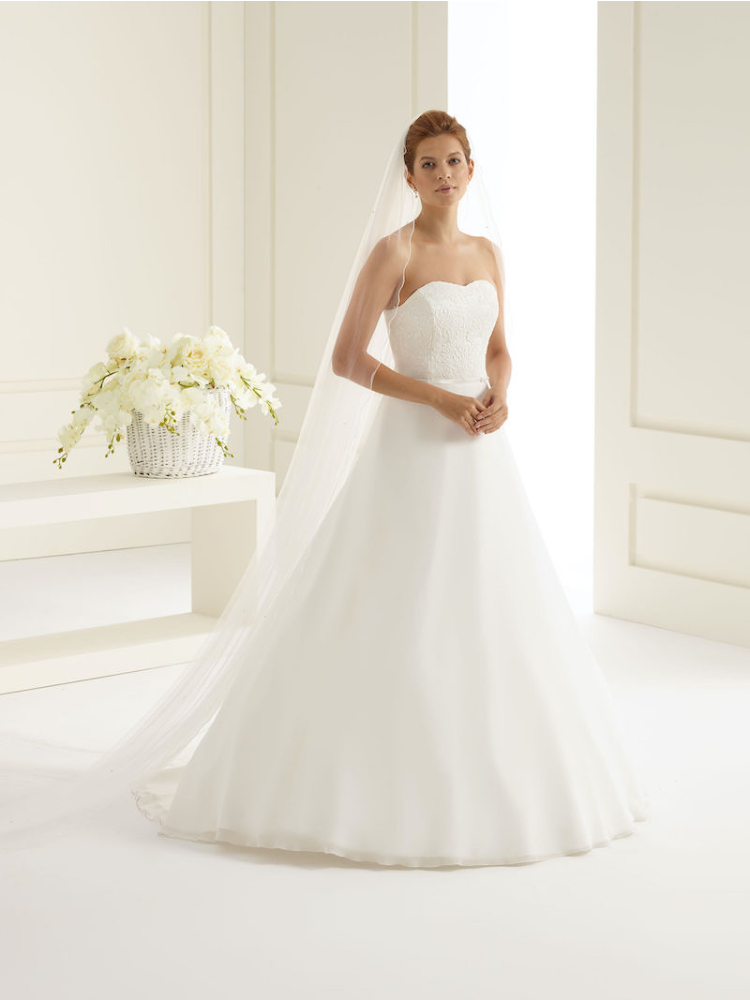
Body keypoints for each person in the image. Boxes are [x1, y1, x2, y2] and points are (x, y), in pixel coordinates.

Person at [0, 110, 648, 867]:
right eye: (429, 163)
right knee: (388, 596)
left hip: (478, 448)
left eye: (454, 161)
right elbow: (347, 358)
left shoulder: (488, 254)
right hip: (413, 445)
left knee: (488, 598)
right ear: (408, 176)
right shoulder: (394, 251)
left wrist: (499, 393)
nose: (443, 174)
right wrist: (439, 398)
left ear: (472, 170)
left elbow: (500, 349)